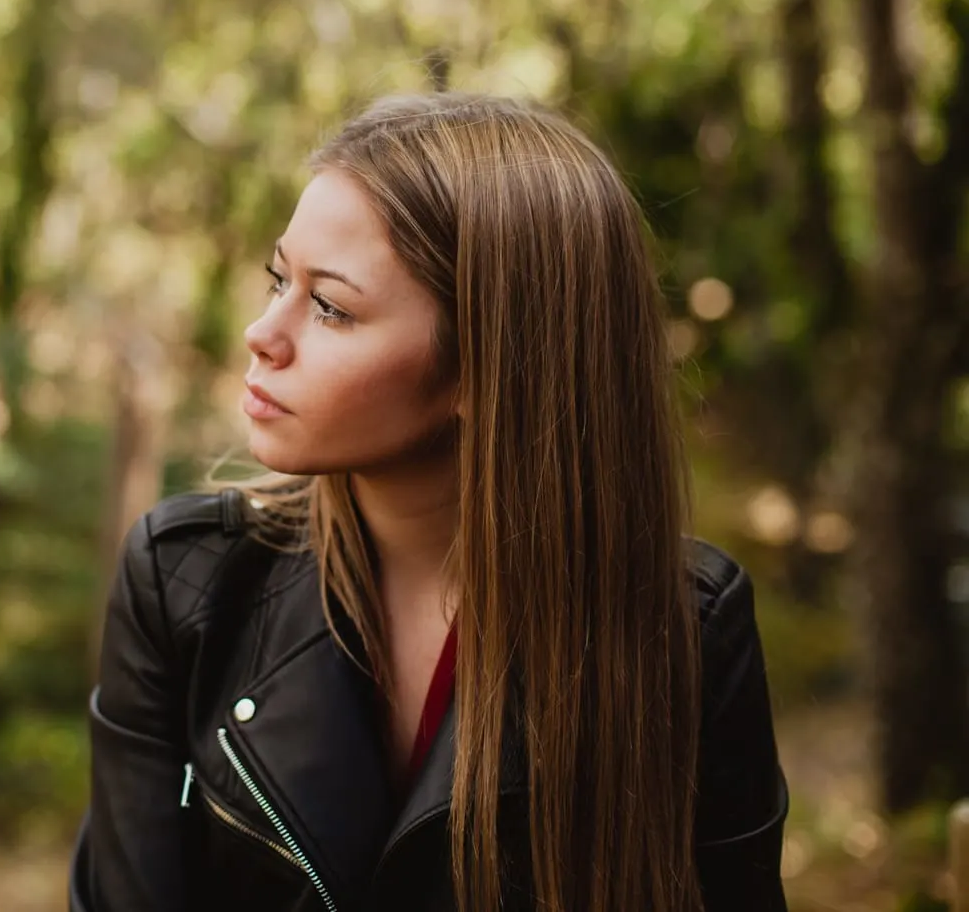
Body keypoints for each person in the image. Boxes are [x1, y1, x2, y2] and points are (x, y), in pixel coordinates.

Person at [69, 93, 789, 912]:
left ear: (488, 367)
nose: (264, 334)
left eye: (331, 307)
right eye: (279, 280)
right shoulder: (187, 584)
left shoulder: (682, 629)